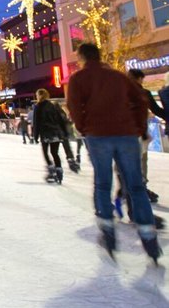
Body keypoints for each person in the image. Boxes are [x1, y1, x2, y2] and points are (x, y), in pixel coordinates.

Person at [67, 42, 160, 263]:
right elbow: (140, 100)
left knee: (102, 183)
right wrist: (139, 128)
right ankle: (148, 235)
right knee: (136, 185)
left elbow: (73, 106)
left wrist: (84, 127)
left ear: (81, 57)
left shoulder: (79, 79)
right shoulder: (119, 77)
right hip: (126, 134)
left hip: (98, 135)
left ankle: (108, 231)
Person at [128, 68, 166, 203]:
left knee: (129, 163)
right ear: (139, 79)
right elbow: (155, 109)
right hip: (139, 133)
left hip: (124, 134)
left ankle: (130, 189)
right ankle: (140, 187)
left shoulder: (121, 92)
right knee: (142, 160)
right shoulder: (143, 92)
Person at [32, 89, 68, 184]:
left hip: (46, 133)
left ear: (39, 96)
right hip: (56, 133)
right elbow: (61, 120)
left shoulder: (38, 107)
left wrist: (35, 136)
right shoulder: (53, 106)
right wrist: (64, 132)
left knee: (45, 153)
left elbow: (36, 123)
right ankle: (59, 171)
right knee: (54, 153)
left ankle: (51, 170)